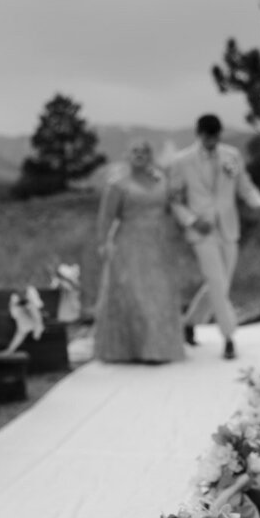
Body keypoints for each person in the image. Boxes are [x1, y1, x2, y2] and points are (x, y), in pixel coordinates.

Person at [167, 114, 260, 360]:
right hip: (201, 231)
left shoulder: (231, 155)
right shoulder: (182, 161)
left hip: (228, 227)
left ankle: (188, 322)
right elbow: (175, 199)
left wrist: (258, 202)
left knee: (220, 283)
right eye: (207, 136)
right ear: (199, 134)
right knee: (216, 279)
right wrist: (191, 220)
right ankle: (229, 336)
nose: (212, 141)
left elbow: (244, 184)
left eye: (215, 136)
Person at [93, 141, 185, 364]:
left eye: (145, 151)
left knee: (158, 295)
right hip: (129, 243)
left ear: (151, 156)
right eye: (135, 151)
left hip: (157, 243)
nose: (140, 155)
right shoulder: (117, 184)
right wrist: (103, 243)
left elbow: (172, 207)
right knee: (133, 295)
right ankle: (127, 349)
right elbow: (106, 217)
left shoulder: (160, 180)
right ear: (127, 154)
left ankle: (158, 348)